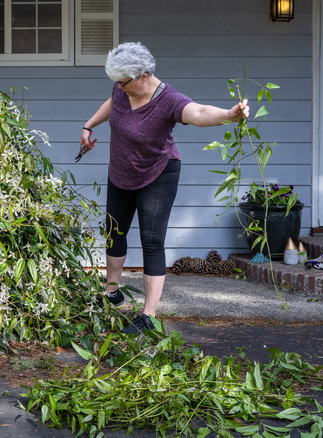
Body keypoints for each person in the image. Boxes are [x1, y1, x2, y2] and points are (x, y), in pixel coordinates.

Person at [80, 42, 249, 334]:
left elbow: (198, 113)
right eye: (116, 83)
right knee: (113, 232)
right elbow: (112, 104)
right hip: (120, 172)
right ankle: (112, 293)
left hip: (158, 174)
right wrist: (89, 124)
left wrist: (230, 115)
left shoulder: (168, 100)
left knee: (151, 240)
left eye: (124, 83)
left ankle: (148, 315)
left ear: (143, 76)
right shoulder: (122, 88)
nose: (119, 88)